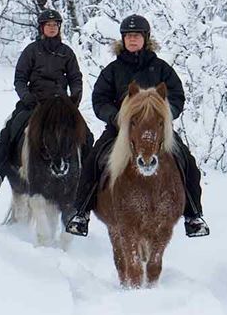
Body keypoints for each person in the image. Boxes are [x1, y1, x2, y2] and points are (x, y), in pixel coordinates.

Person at [64, 14, 209, 238]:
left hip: (156, 132)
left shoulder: (161, 69)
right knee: (94, 160)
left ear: (145, 38)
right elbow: (100, 99)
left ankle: (193, 216)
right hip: (120, 130)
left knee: (186, 161)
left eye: (137, 36)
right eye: (128, 36)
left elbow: (177, 96)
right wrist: (116, 117)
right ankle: (81, 213)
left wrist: (163, 116)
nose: (132, 39)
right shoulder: (112, 70)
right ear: (123, 39)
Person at [0, 8, 85, 194]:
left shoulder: (66, 52)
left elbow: (75, 78)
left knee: (85, 134)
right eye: (48, 25)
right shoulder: (31, 51)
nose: (52, 28)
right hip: (35, 102)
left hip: (60, 105)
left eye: (55, 25)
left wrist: (74, 98)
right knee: (11, 129)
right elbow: (20, 78)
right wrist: (27, 97)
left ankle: (87, 177)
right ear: (41, 28)